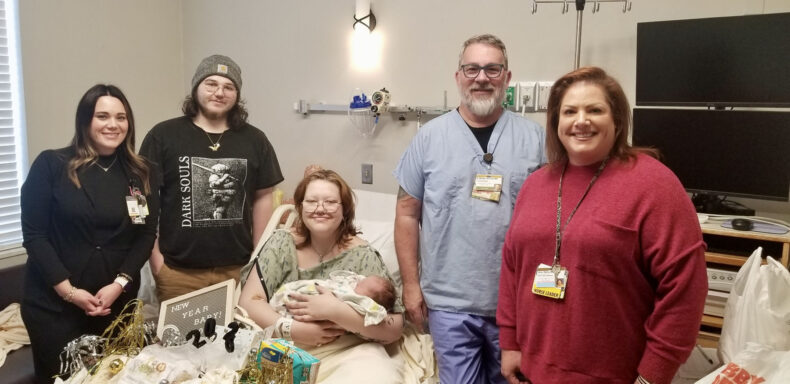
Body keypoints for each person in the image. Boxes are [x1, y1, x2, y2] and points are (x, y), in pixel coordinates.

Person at [497, 67, 708, 384]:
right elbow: (512, 268)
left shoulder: (654, 185)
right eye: (570, 111)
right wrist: (510, 342)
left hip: (617, 375)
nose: (581, 120)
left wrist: (653, 374)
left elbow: (685, 290)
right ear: (556, 122)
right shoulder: (536, 184)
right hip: (533, 371)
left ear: (617, 120)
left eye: (594, 109)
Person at [393, 34, 545, 383]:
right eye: (472, 68)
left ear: (507, 78)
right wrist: (411, 287)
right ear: (458, 76)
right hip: (449, 303)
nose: (481, 77)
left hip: (517, 304)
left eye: (492, 69)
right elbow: (406, 214)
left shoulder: (535, 140)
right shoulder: (429, 138)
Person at [20, 84, 159, 383]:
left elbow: (145, 234)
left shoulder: (140, 173)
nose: (113, 124)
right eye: (103, 116)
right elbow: (35, 236)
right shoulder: (51, 165)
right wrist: (69, 292)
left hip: (115, 304)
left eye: (121, 117)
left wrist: (120, 284)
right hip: (54, 307)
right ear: (85, 121)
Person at [140, 54, 283, 302]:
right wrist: (156, 262)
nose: (220, 92)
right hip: (177, 272)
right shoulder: (163, 135)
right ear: (196, 88)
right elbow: (142, 196)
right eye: (211, 84)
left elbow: (263, 198)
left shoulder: (255, 140)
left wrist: (257, 259)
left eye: (229, 87)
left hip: (237, 270)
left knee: (239, 340)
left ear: (237, 95)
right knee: (178, 342)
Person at [238, 169, 404, 384]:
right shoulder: (281, 244)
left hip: (349, 351)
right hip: (285, 346)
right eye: (312, 201)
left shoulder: (363, 256)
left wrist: (335, 311)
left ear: (345, 209)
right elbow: (249, 301)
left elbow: (394, 328)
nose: (320, 209)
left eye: (330, 202)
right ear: (300, 206)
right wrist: (293, 330)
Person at [268, 271, 396, 326]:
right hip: (302, 292)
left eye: (362, 284)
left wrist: (334, 308)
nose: (358, 281)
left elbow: (377, 314)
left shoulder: (358, 300)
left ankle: (283, 306)